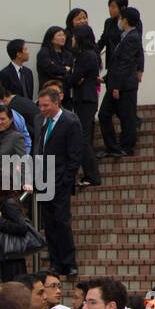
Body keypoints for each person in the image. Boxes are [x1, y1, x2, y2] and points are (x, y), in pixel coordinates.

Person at [35, 86, 85, 278]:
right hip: (44, 180)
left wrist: (66, 180)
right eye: (40, 106)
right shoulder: (41, 121)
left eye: (46, 105)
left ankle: (68, 262)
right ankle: (55, 262)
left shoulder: (70, 121)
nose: (42, 109)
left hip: (60, 180)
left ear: (56, 102)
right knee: (49, 224)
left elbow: (75, 154)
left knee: (62, 222)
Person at [98, 5, 143, 158]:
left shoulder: (132, 38)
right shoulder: (125, 37)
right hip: (116, 83)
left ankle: (126, 147)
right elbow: (117, 65)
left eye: (121, 19)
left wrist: (115, 85)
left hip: (125, 86)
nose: (119, 21)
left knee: (127, 115)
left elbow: (124, 64)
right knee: (104, 114)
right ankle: (113, 147)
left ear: (125, 20)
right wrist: (106, 79)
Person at [68, 24, 102, 187]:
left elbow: (74, 78)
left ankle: (92, 175)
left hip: (86, 100)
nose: (72, 39)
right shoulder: (86, 55)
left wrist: (71, 73)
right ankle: (90, 174)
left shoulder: (87, 56)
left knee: (84, 139)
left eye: (74, 37)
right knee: (84, 138)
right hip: (85, 99)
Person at [0, 184, 33, 283]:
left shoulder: (9, 203)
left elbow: (21, 227)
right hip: (8, 256)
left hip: (11, 256)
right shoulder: (4, 202)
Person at [37, 26, 73, 99]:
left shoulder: (68, 54)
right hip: (48, 91)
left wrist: (60, 71)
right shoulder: (44, 52)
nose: (63, 38)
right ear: (51, 38)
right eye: (59, 35)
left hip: (65, 93)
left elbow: (70, 72)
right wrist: (64, 69)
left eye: (63, 35)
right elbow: (50, 69)